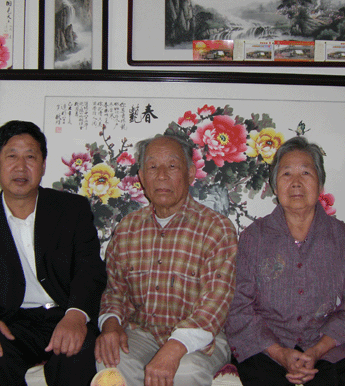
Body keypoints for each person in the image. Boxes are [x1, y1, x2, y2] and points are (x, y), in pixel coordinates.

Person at [0, 120, 107, 386]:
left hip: (65, 313)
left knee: (76, 354)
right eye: (11, 156)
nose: (21, 167)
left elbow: (90, 269)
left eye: (30, 157)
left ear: (43, 165)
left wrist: (76, 315)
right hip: (12, 322)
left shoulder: (72, 210)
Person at [225, 136, 345, 386]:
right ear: (274, 186)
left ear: (320, 183)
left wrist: (316, 351)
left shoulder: (343, 238)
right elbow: (239, 307)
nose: (296, 182)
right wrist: (280, 353)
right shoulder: (253, 237)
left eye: (305, 172)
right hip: (267, 349)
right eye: (286, 174)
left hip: (327, 348)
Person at [94, 135, 237, 386]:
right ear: (141, 176)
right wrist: (111, 326)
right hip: (143, 333)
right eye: (152, 167)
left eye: (172, 166)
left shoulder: (217, 228)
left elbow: (215, 304)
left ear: (190, 173)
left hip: (200, 338)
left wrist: (174, 348)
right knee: (110, 362)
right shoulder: (127, 228)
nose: (161, 175)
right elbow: (115, 292)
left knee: (185, 372)